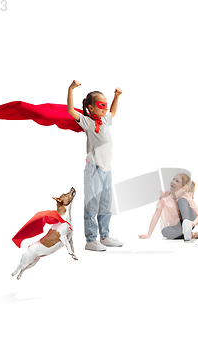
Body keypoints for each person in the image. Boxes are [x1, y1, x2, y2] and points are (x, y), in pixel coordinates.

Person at [67, 80, 124, 251]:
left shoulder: (105, 120)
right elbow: (70, 110)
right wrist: (70, 89)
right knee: (92, 203)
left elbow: (113, 111)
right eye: (101, 105)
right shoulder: (87, 122)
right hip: (94, 169)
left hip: (107, 169)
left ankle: (104, 236)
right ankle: (91, 239)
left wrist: (116, 96)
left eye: (105, 105)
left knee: (106, 204)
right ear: (91, 108)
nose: (105, 108)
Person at [139, 173, 198, 240]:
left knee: (182, 200)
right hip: (177, 226)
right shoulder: (164, 198)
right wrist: (149, 234)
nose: (173, 182)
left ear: (184, 188)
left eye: (177, 181)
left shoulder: (185, 196)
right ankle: (190, 234)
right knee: (164, 231)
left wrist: (193, 223)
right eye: (173, 179)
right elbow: (156, 215)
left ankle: (186, 227)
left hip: (189, 221)